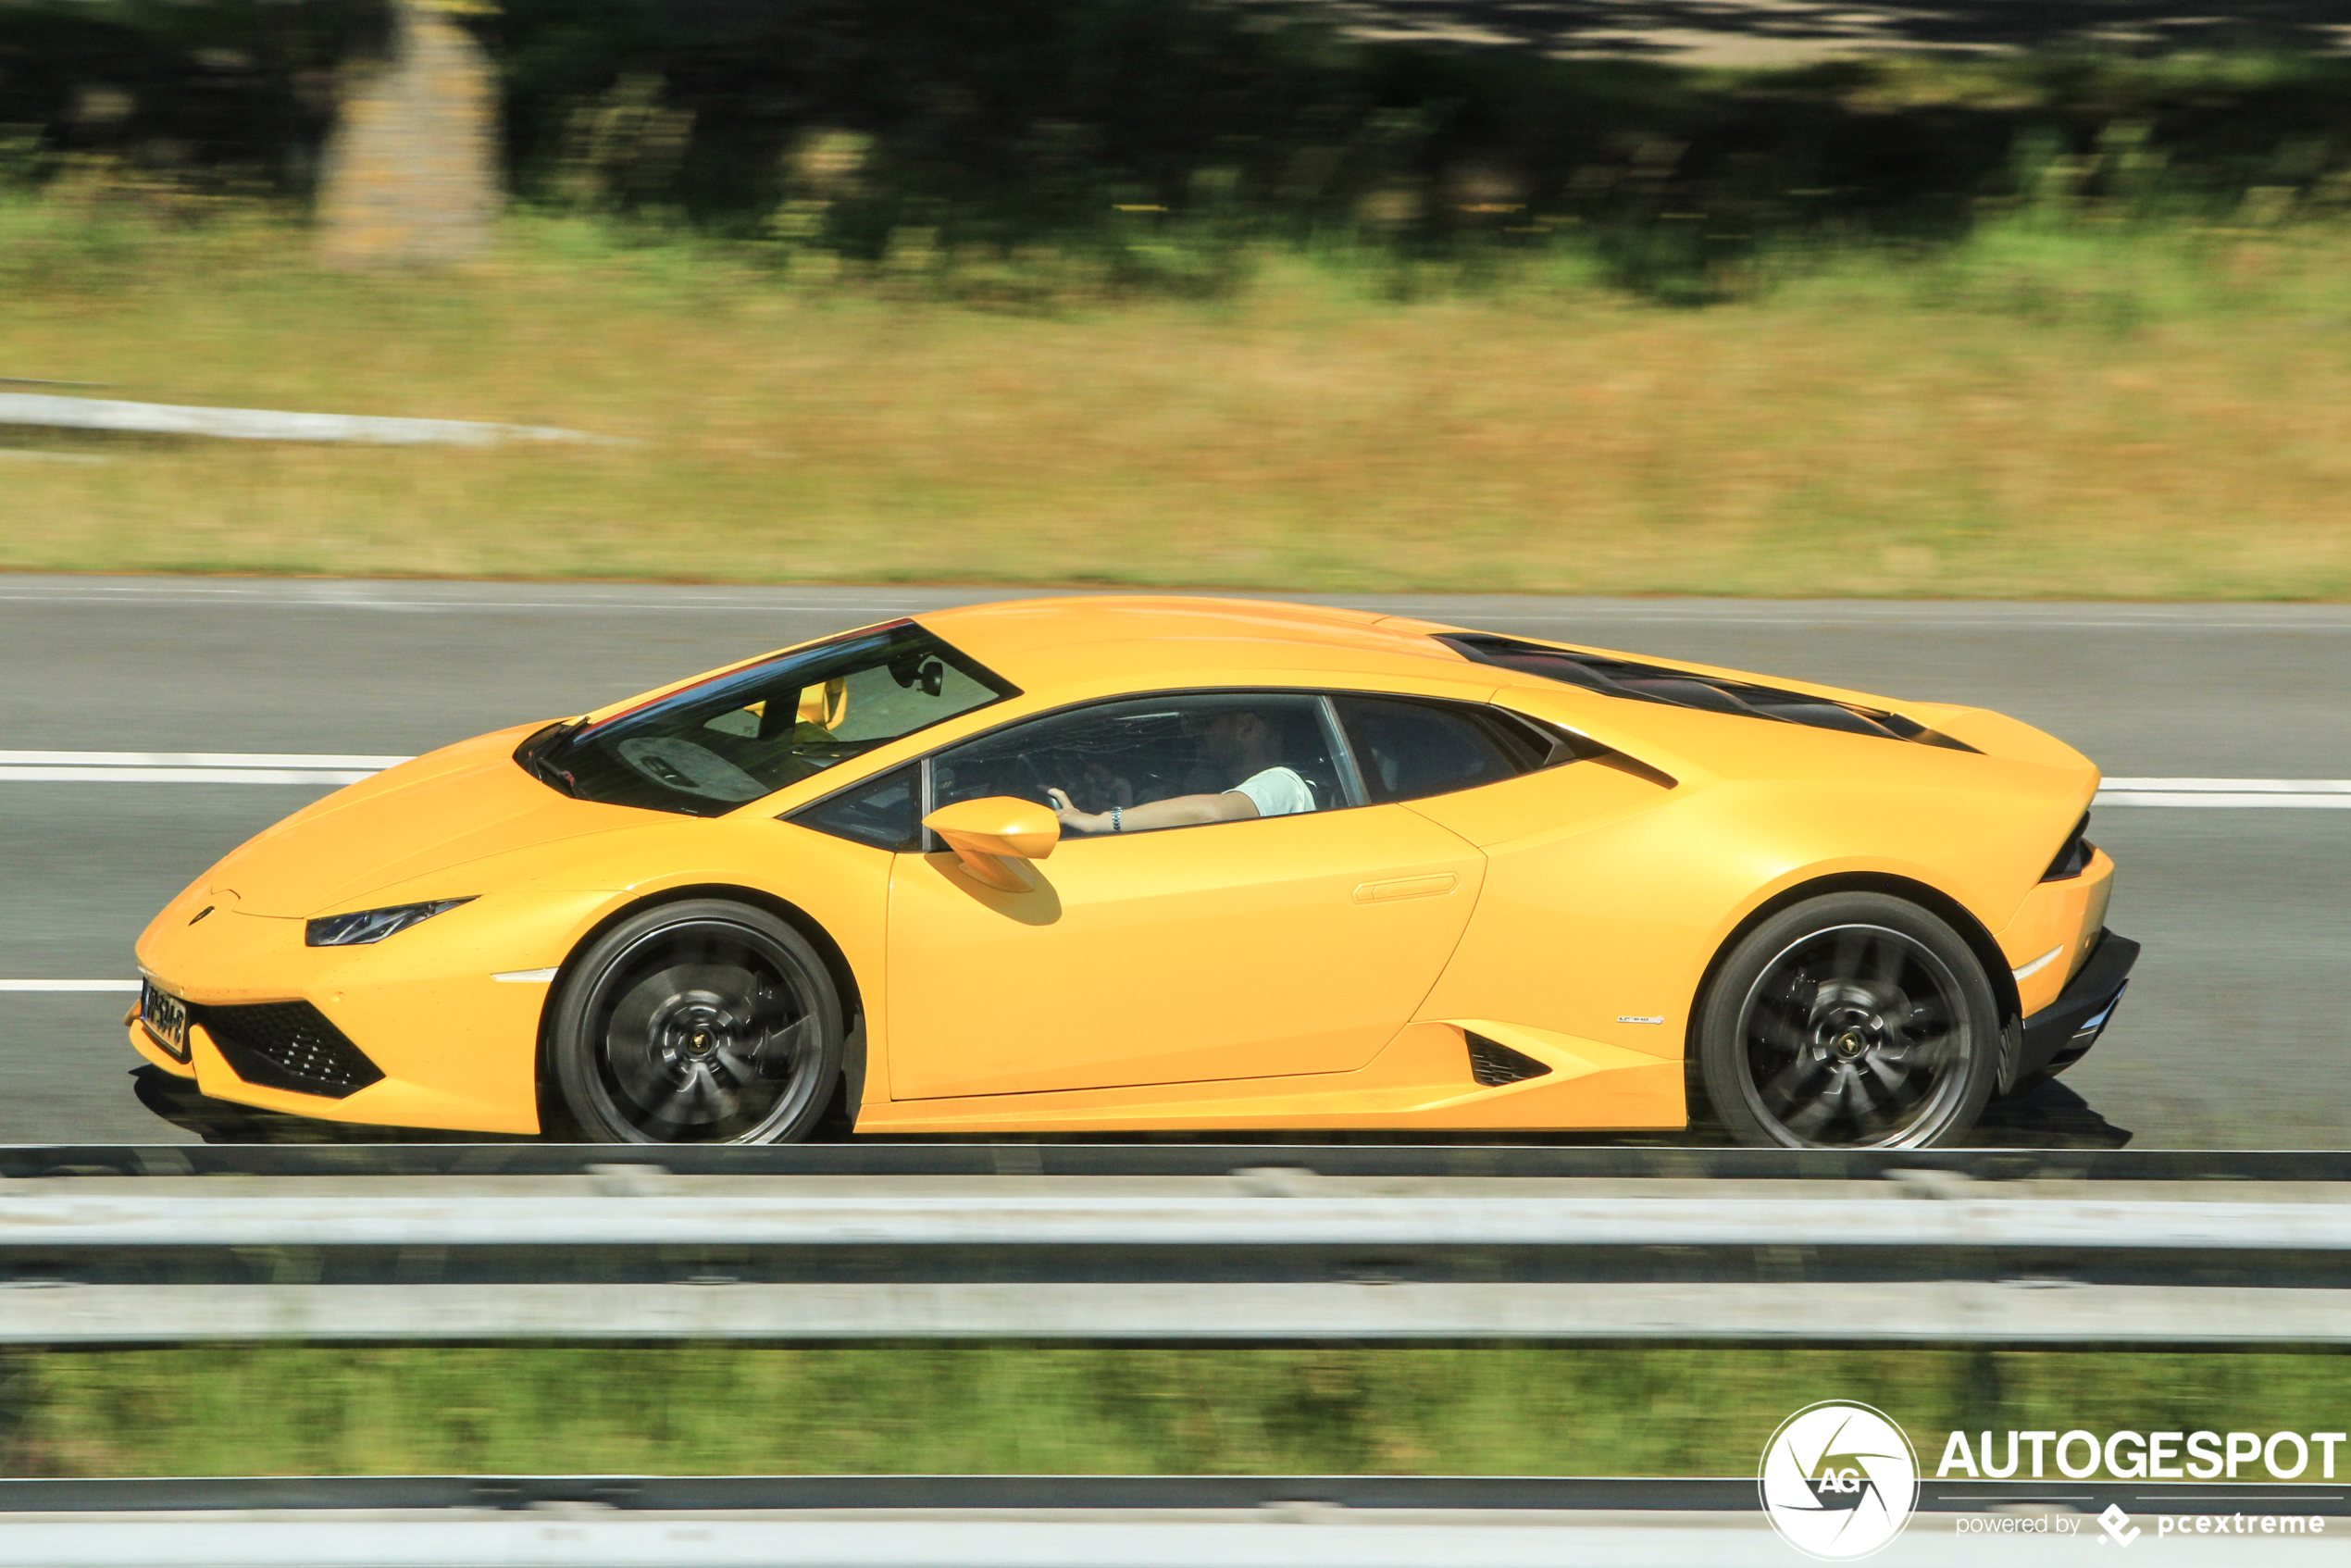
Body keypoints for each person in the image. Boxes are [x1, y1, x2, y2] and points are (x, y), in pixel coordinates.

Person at [1047, 708, 1313, 834]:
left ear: (1245, 727)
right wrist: (1124, 804)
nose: (1189, 733)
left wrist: (1102, 820)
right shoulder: (1215, 784)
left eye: (1201, 720)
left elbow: (1212, 812)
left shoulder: (1283, 783)